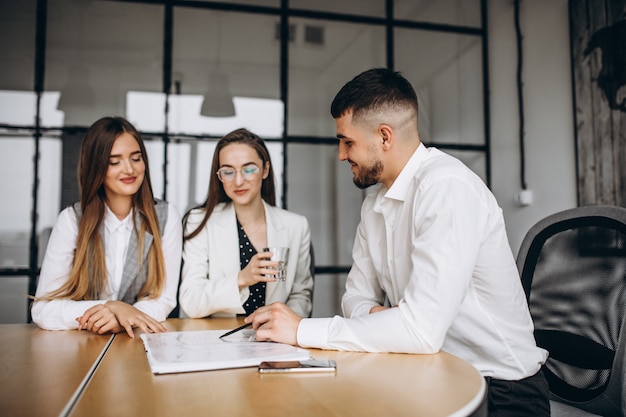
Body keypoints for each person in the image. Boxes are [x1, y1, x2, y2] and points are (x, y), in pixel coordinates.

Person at [245, 68, 550, 416]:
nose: (341, 155)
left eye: (347, 142)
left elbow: (419, 331)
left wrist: (301, 330)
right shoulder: (373, 204)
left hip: (500, 390)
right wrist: (391, 321)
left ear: (385, 137)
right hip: (428, 372)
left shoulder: (446, 187)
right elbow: (355, 298)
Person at [31, 116, 182, 338]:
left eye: (136, 158)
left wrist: (124, 317)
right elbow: (43, 309)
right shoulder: (72, 220)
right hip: (84, 344)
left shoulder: (166, 216)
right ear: (96, 167)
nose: (129, 169)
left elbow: (164, 299)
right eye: (114, 161)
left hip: (137, 343)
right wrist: (111, 306)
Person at [179, 128, 313, 318]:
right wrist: (241, 279)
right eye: (228, 172)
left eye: (249, 169)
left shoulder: (296, 226)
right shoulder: (200, 222)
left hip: (274, 340)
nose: (239, 181)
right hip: (216, 339)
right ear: (219, 176)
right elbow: (191, 301)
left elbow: (301, 295)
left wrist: (278, 321)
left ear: (265, 170)